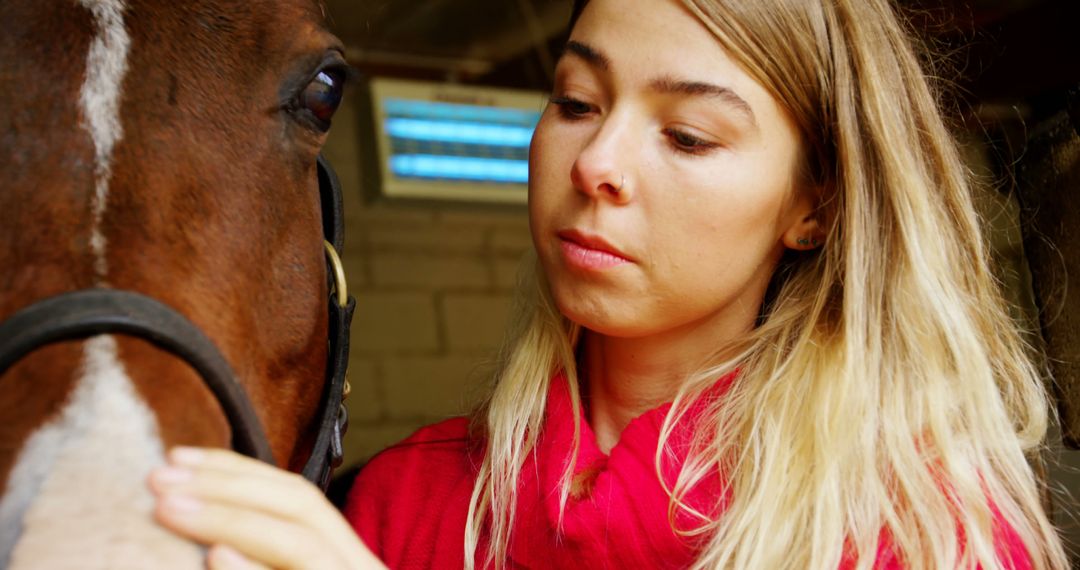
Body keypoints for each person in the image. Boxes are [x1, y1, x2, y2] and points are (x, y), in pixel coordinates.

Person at [148, 0, 1072, 567]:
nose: (596, 162)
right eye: (577, 102)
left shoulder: (922, 532)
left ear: (814, 206)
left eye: (689, 135)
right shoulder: (398, 503)